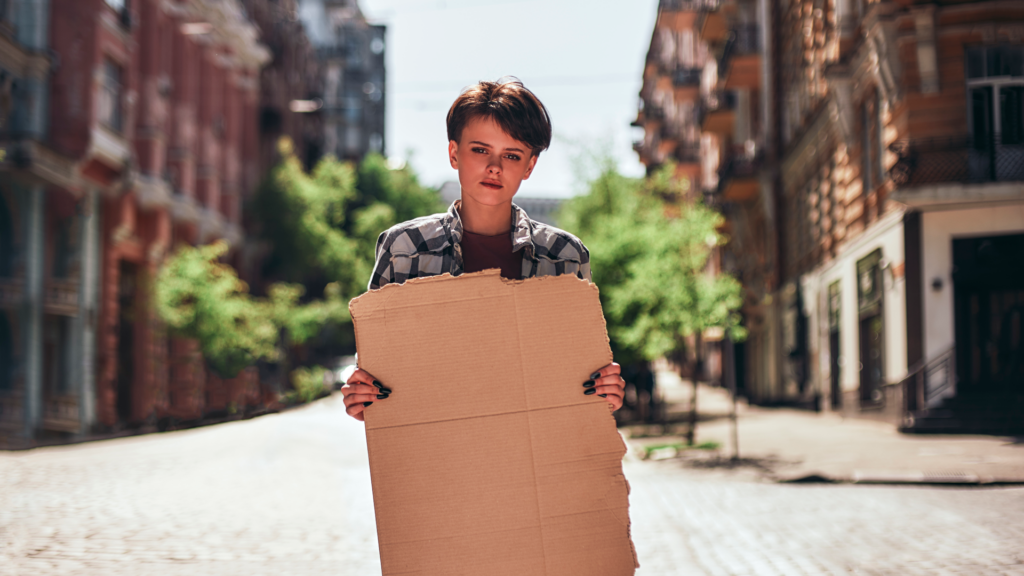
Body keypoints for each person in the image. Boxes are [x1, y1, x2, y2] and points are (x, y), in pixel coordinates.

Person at [341, 77, 625, 421]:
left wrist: (604, 390)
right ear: (454, 153)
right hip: (438, 457)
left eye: (512, 154)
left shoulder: (565, 256)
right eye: (480, 150)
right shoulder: (404, 249)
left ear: (529, 166)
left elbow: (579, 375)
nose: (495, 167)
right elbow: (378, 374)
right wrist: (362, 396)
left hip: (536, 459)